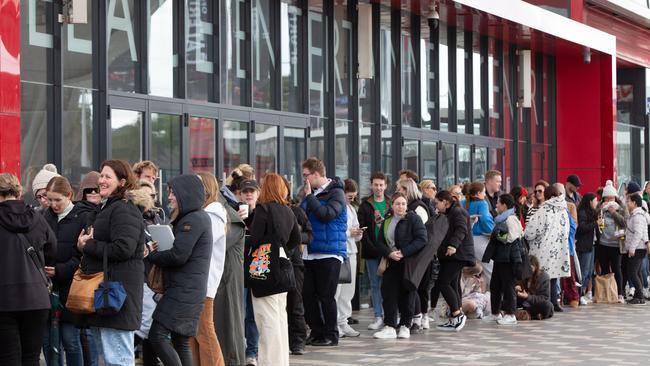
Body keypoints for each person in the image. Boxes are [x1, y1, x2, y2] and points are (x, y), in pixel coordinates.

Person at [75, 160, 145, 366]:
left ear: (122, 182)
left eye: (108, 177)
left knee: (119, 360)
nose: (101, 180)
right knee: (111, 358)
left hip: (116, 297)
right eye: (101, 175)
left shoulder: (124, 209)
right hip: (107, 296)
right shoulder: (108, 208)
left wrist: (88, 245)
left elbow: (124, 248)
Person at [147, 174, 213, 366]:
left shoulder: (192, 220)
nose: (169, 196)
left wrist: (152, 255)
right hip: (188, 290)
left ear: (186, 194)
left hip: (183, 290)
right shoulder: (195, 218)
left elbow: (178, 255)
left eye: (173, 192)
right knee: (180, 340)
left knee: (157, 336)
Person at [0, 173, 57, 365]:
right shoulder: (36, 217)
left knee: (8, 357)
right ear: (17, 191)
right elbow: (52, 249)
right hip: (37, 299)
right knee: (31, 357)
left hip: (4, 300)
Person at [247, 173, 301, 366]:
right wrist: (282, 249)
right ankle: (280, 361)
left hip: (265, 265)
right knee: (279, 317)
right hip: (283, 264)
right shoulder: (288, 211)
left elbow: (255, 239)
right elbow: (296, 238)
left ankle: (269, 362)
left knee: (266, 319)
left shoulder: (263, 209)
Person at [300, 157, 347, 347]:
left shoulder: (336, 193)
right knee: (308, 296)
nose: (304, 179)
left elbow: (326, 215)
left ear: (316, 174)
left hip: (329, 253)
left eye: (306, 175)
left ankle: (331, 334)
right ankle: (317, 332)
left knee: (326, 297)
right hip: (310, 252)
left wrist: (310, 197)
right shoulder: (309, 193)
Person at [42, 177, 87, 366]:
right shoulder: (45, 216)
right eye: (49, 199)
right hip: (48, 288)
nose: (53, 205)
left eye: (57, 200)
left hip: (71, 288)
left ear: (69, 195)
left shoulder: (82, 217)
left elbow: (83, 257)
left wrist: (59, 270)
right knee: (49, 343)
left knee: (70, 341)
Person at [371, 193, 428, 339]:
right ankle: (389, 326)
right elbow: (379, 242)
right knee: (388, 294)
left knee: (407, 294)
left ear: (406, 205)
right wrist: (389, 253)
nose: (400, 206)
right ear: (392, 205)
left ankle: (405, 325)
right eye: (397, 203)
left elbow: (422, 239)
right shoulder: (387, 221)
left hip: (408, 263)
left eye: (403, 203)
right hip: (391, 262)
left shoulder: (413, 219)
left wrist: (403, 252)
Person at [192, 173, 227, 366]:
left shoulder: (213, 213)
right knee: (195, 333)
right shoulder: (206, 213)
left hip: (205, 282)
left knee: (204, 332)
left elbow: (202, 243)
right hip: (200, 281)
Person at [524, 185, 570, 312]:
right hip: (559, 247)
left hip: (542, 249)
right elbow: (567, 230)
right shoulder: (563, 210)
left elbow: (529, 233)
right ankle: (554, 302)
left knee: (541, 275)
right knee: (554, 276)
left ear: (547, 196)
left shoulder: (542, 211)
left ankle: (543, 302)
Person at [434, 190, 475, 332]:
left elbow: (461, 229)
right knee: (453, 284)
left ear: (445, 202)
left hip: (457, 255)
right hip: (452, 255)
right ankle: (454, 317)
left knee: (443, 283)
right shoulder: (450, 213)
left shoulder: (457, 212)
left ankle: (457, 314)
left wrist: (453, 246)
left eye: (437, 202)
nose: (436, 205)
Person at [214, 192, 246, 366]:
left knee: (230, 325)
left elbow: (216, 245)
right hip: (221, 280)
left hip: (227, 281)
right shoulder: (226, 216)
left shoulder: (231, 219)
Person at [482, 194, 523, 325]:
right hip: (500, 257)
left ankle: (511, 314)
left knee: (508, 286)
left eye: (498, 203)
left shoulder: (511, 219)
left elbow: (511, 237)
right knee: (495, 285)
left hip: (508, 258)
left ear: (504, 205)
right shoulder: (501, 219)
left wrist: (495, 234)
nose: (496, 206)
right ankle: (495, 313)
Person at [357, 172, 390, 331]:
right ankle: (378, 315)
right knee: (375, 284)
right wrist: (372, 247)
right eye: (376, 185)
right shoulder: (365, 205)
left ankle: (390, 314)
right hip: (371, 251)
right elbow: (362, 229)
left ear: (386, 186)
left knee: (389, 284)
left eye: (381, 185)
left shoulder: (391, 203)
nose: (378, 188)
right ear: (371, 185)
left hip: (389, 251)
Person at [236, 179, 261, 366]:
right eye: (245, 191)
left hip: (258, 270)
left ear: (258, 193)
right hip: (239, 270)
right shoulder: (234, 212)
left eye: (252, 191)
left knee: (253, 315)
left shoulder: (262, 213)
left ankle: (252, 352)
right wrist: (238, 220)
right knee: (240, 313)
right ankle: (240, 348)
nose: (248, 194)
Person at [334, 179, 363, 338]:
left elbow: (356, 232)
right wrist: (348, 233)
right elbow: (335, 231)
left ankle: (343, 322)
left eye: (353, 197)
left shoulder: (351, 209)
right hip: (340, 252)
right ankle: (335, 323)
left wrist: (358, 233)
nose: (351, 199)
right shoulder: (336, 208)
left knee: (348, 291)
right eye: (349, 196)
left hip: (351, 252)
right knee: (337, 290)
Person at [598, 180, 627, 303]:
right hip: (603, 244)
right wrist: (600, 211)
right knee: (604, 269)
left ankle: (620, 293)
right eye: (607, 198)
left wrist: (613, 212)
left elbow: (624, 223)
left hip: (616, 244)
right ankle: (606, 293)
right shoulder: (600, 208)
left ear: (615, 197)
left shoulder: (621, 208)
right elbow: (596, 220)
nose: (609, 201)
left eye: (611, 198)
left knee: (617, 269)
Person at [466, 182, 495, 284]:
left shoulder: (462, 202)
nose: (485, 195)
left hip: (466, 240)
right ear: (478, 193)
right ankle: (497, 297)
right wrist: (492, 232)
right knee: (490, 270)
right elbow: (486, 219)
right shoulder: (482, 203)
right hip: (481, 239)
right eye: (483, 192)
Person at [575, 193, 601, 305]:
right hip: (584, 245)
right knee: (583, 271)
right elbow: (581, 228)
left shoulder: (593, 213)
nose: (596, 203)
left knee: (590, 271)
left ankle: (583, 293)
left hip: (592, 244)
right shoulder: (582, 212)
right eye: (595, 200)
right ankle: (579, 294)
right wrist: (596, 223)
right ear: (590, 201)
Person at [624, 194, 650, 305]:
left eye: (629, 201)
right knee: (637, 272)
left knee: (632, 272)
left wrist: (632, 248)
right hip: (638, 247)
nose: (627, 203)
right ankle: (638, 296)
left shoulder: (638, 216)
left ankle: (640, 296)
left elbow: (638, 233)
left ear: (634, 203)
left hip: (638, 248)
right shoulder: (635, 215)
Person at [516, 255, 554, 320]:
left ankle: (528, 314)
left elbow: (544, 298)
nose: (528, 270)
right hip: (522, 303)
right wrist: (515, 289)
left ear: (536, 267)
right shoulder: (521, 274)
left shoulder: (543, 277)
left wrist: (528, 297)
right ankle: (524, 314)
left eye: (530, 268)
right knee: (505, 302)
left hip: (534, 304)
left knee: (548, 306)